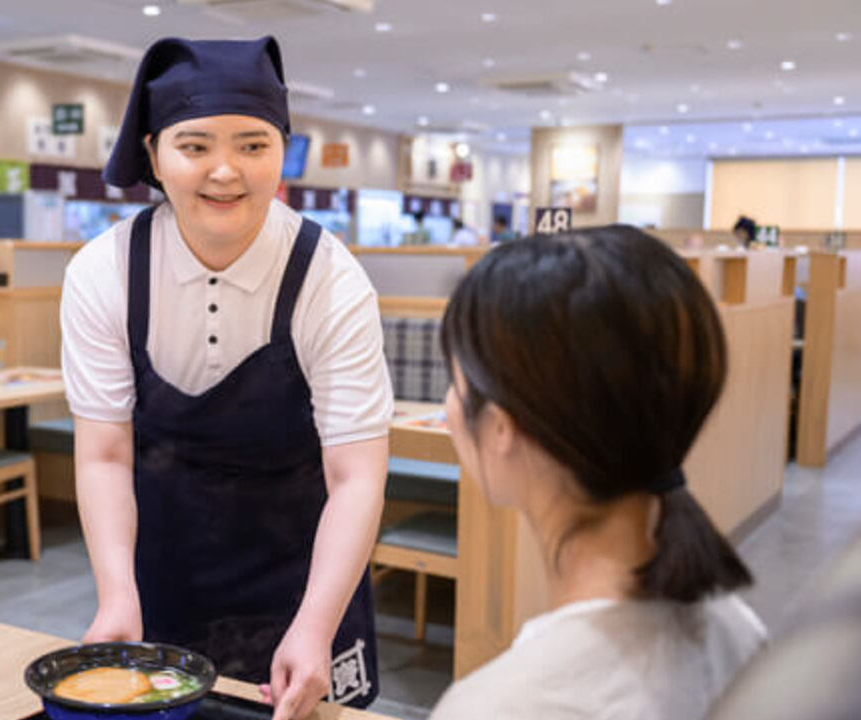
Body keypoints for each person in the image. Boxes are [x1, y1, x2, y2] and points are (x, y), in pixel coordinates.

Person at [60, 36, 392, 720]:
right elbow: (104, 454)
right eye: (195, 146)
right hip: (164, 576)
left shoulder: (331, 278)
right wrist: (117, 596)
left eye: (252, 144)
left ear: (282, 153)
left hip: (307, 580)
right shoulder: (104, 273)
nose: (225, 172)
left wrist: (317, 625)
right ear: (153, 153)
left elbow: (356, 476)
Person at [428, 225, 767, 720]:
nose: (448, 409)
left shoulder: (502, 706)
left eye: (456, 385)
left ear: (503, 428)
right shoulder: (739, 632)